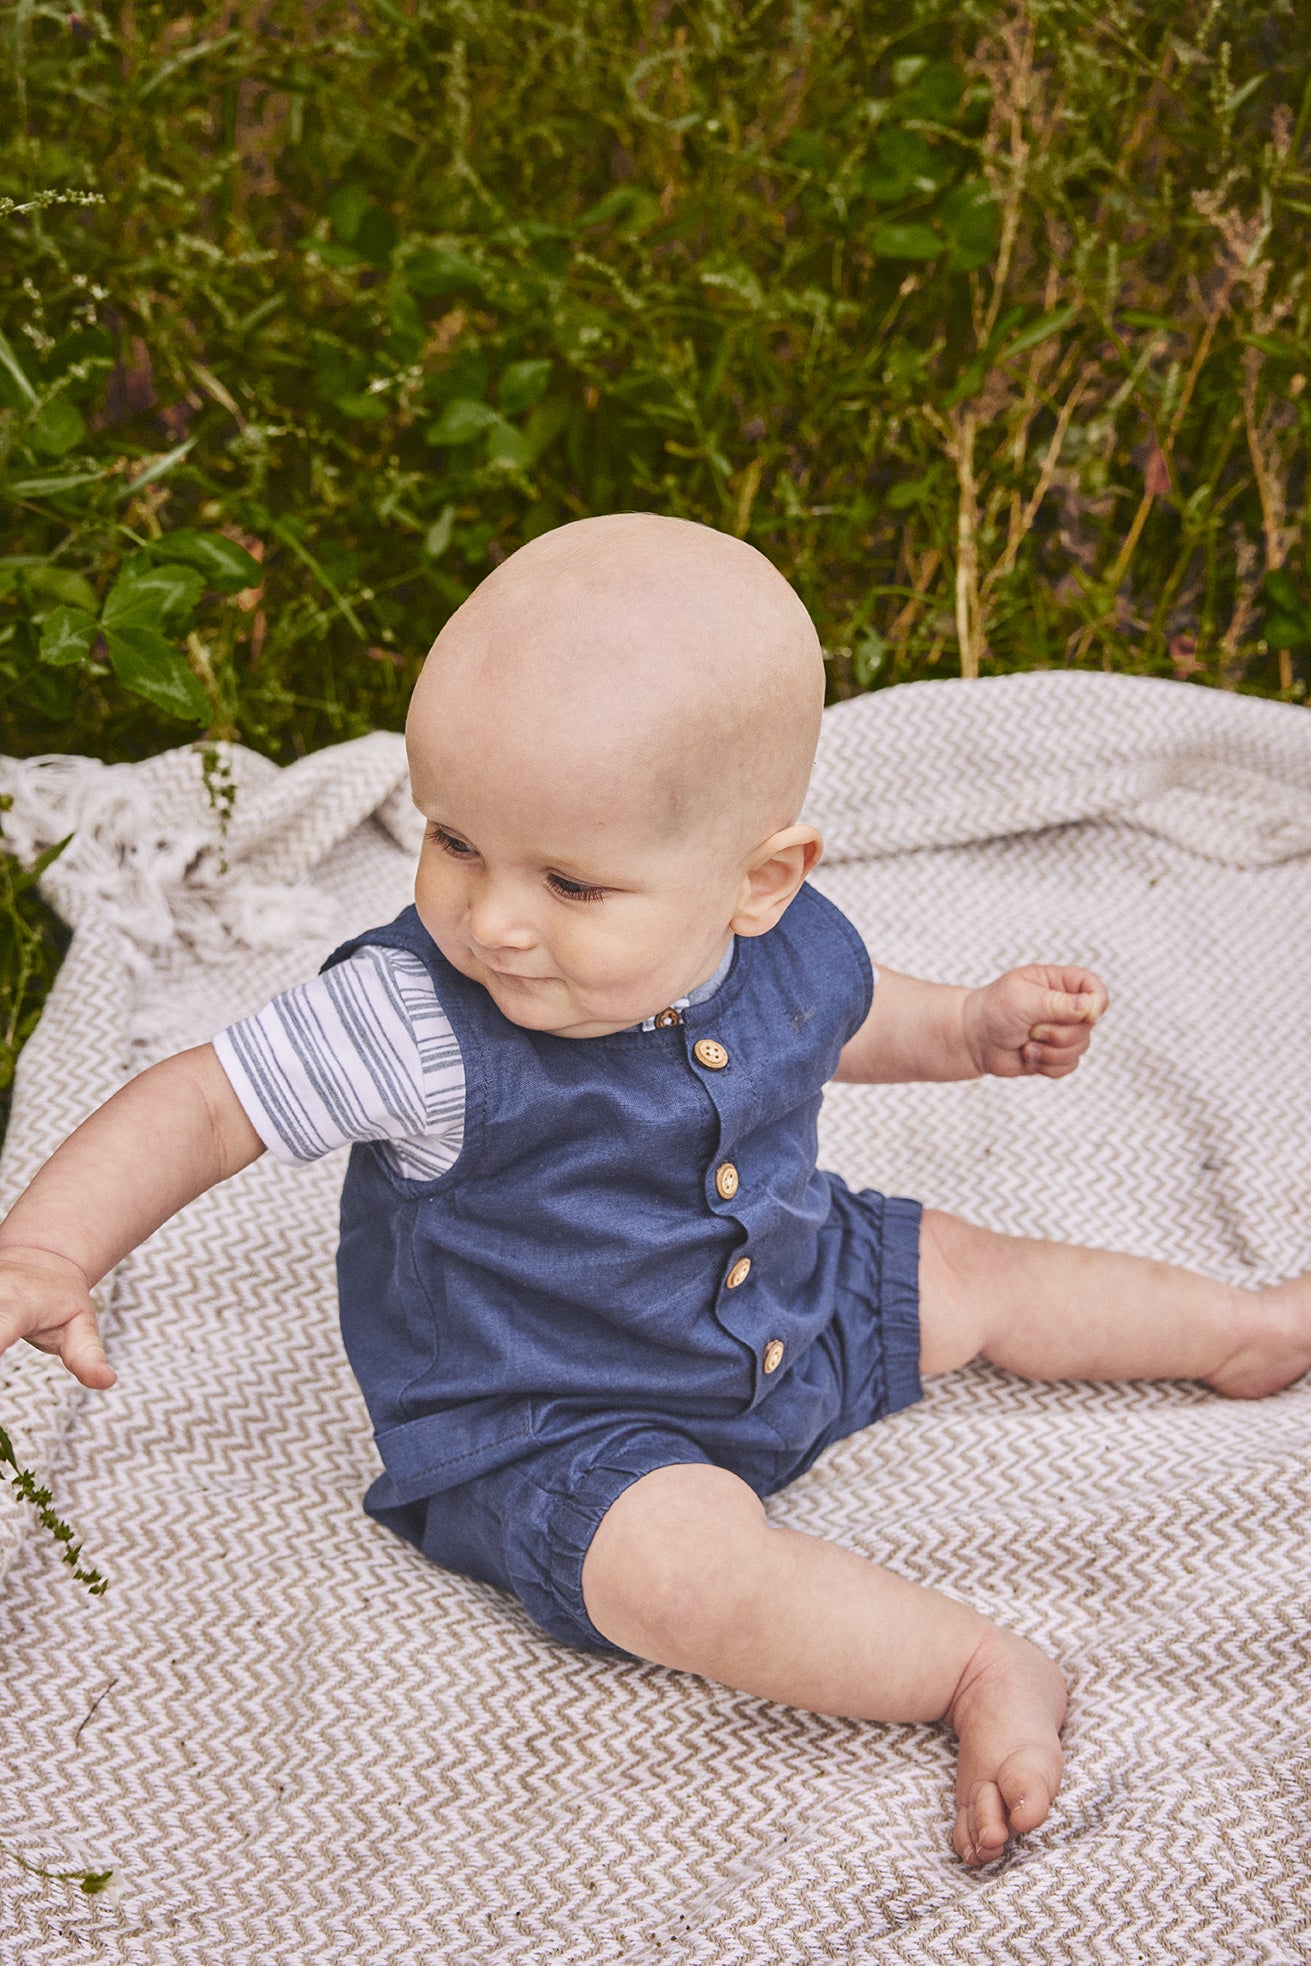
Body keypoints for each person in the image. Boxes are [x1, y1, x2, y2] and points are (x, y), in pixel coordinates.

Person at [1, 514, 1307, 1871]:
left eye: (568, 879)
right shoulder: (410, 1014)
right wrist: (49, 1243)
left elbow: (836, 1019)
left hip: (796, 1293)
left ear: (758, 882)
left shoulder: (783, 938)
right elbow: (207, 1100)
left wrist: (970, 1027)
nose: (494, 918)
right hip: (555, 1419)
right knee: (683, 1572)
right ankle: (976, 1666)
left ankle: (1243, 1329)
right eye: (452, 839)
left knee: (979, 1271)